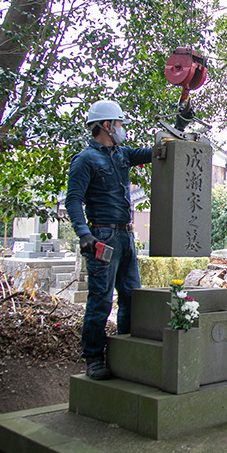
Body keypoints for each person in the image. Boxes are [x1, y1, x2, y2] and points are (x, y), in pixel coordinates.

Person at [64, 99, 152, 379]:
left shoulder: (122, 154)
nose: (122, 128)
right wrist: (84, 234)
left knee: (131, 297)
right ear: (106, 125)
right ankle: (92, 357)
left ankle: (125, 351)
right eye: (119, 123)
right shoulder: (85, 160)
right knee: (101, 299)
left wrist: (181, 121)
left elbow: (156, 151)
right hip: (102, 235)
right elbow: (73, 200)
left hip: (125, 237)